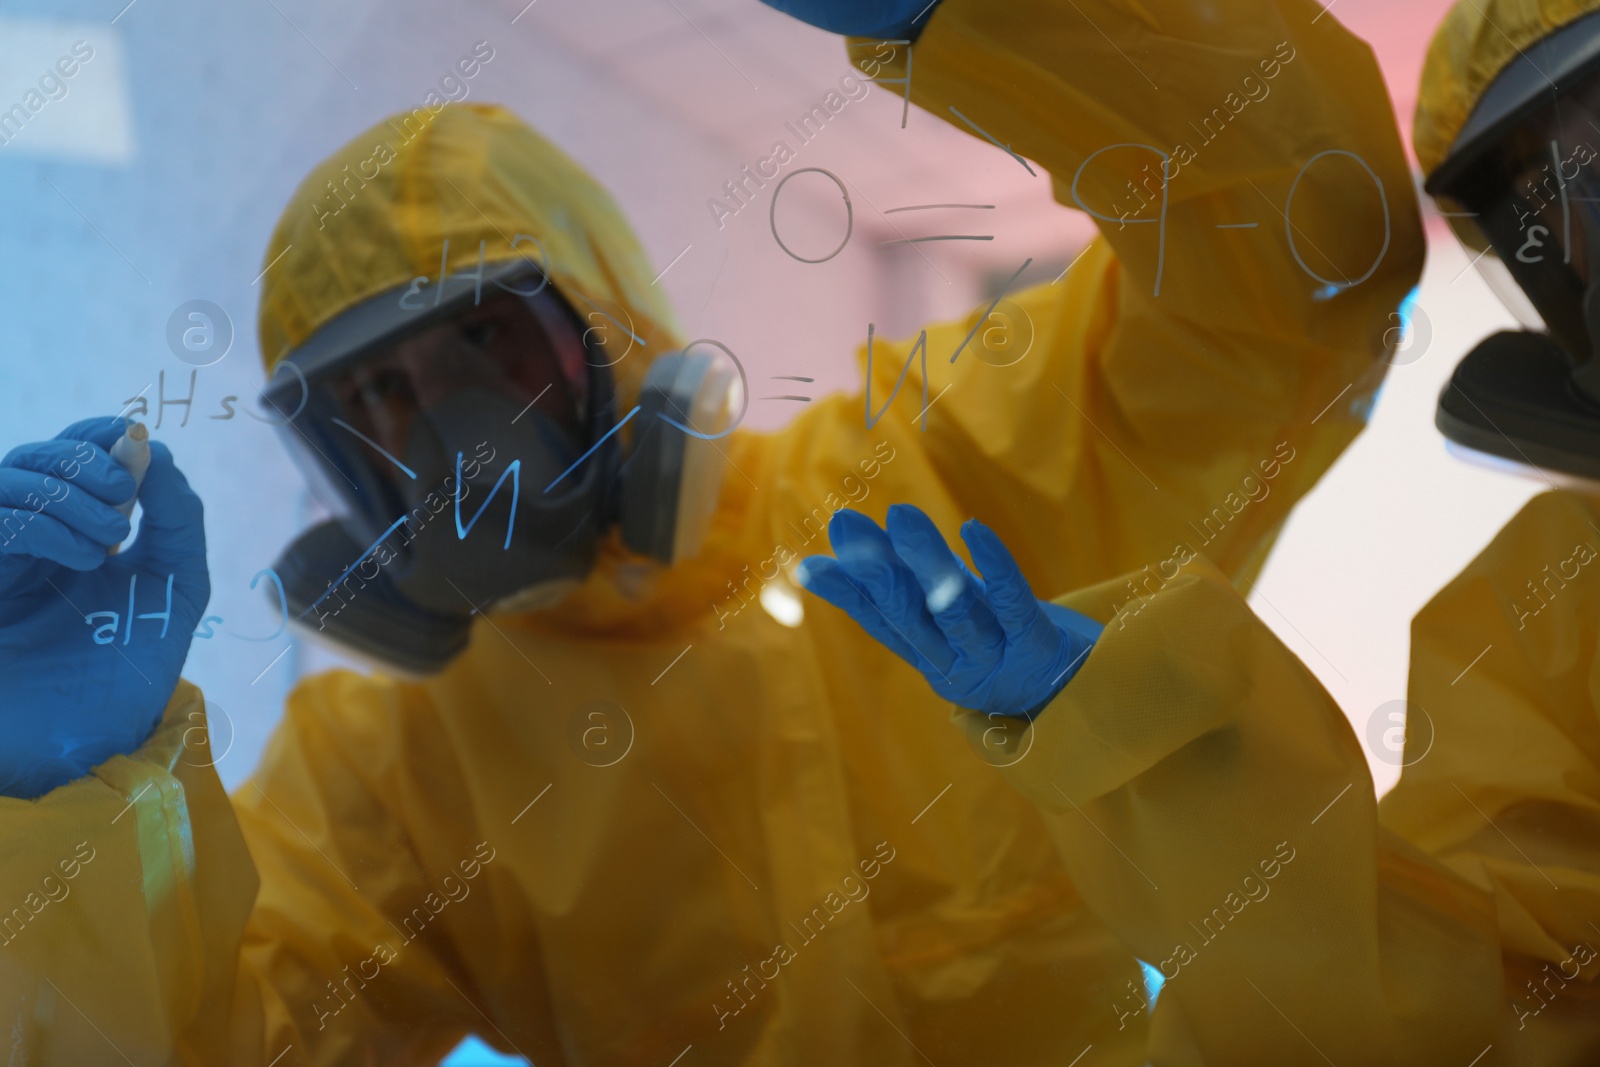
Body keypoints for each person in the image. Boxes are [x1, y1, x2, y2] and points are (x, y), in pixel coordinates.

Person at [0, 0, 1421, 1062]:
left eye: (489, 347)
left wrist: (994, 17)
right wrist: (62, 797)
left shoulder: (949, 474)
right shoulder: (402, 779)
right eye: (378, 401)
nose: (454, 444)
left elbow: (1308, 252)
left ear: (615, 320)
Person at [800, 0, 1600, 1061]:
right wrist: (1151, 749)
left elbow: (1290, 262)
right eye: (1562, 198)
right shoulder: (1562, 611)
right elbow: (1460, 1020)